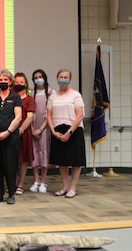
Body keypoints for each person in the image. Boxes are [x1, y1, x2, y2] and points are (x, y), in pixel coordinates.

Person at [47, 69, 86, 199]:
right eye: (60, 77)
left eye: (65, 77)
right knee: (62, 161)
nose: (63, 79)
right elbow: (49, 115)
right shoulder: (52, 96)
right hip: (58, 131)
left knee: (75, 161)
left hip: (74, 130)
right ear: (57, 78)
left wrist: (70, 132)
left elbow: (80, 115)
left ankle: (73, 188)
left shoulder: (75, 95)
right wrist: (53, 131)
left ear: (70, 79)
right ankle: (65, 186)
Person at [0, 69, 22, 205]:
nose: (2, 82)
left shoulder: (15, 97)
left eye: (5, 80)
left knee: (10, 166)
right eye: (0, 80)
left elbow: (18, 117)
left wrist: (8, 131)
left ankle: (11, 194)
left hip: (11, 137)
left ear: (10, 82)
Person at [29, 69, 54, 193]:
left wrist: (40, 129)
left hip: (45, 127)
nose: (38, 79)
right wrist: (33, 129)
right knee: (34, 153)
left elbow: (50, 113)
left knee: (44, 152)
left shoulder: (50, 92)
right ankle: (36, 180)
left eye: (40, 76)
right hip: (32, 126)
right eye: (35, 77)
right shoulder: (31, 93)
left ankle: (43, 181)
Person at [13, 72, 35, 195]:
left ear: (25, 83)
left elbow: (30, 117)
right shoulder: (10, 97)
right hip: (10, 132)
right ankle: (13, 183)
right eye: (16, 82)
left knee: (23, 159)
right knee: (12, 159)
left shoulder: (29, 99)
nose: (19, 84)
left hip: (24, 132)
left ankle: (20, 184)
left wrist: (20, 129)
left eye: (21, 82)